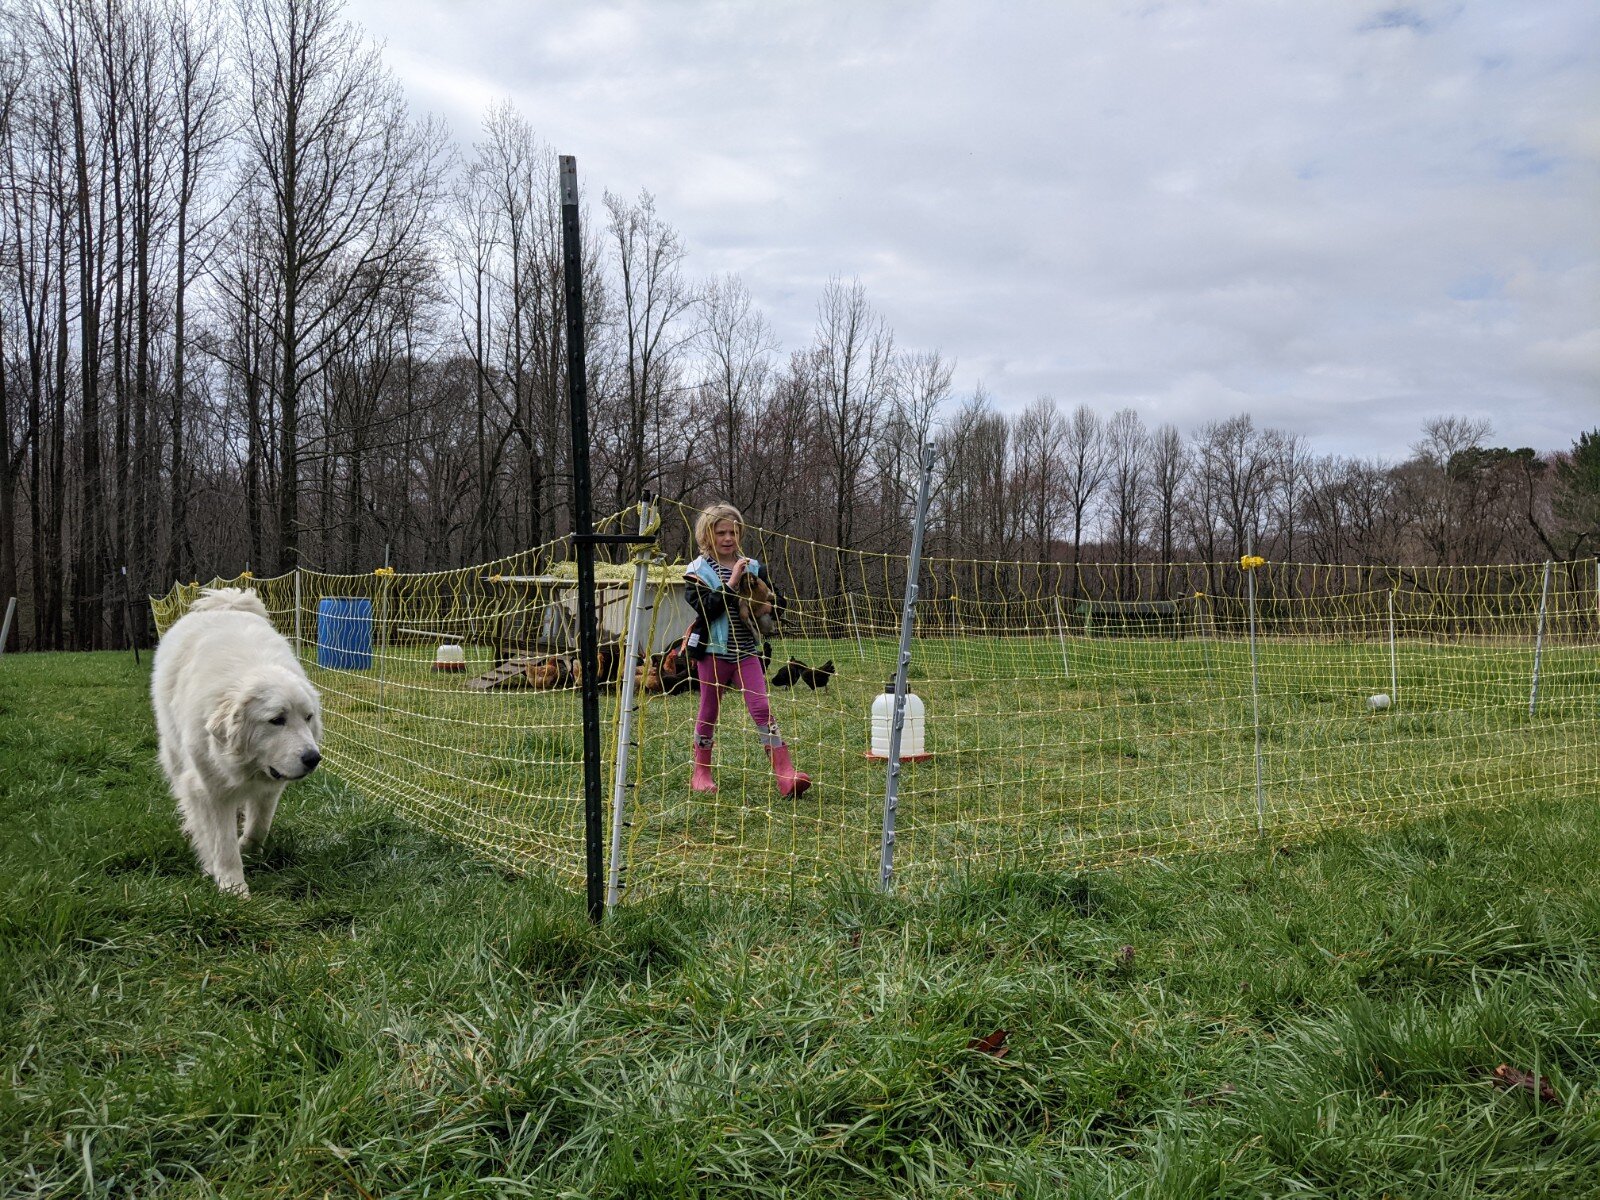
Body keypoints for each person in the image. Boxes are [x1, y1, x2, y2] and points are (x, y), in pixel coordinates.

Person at [683, 503, 811, 798]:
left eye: (733, 532)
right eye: (721, 532)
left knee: (762, 708)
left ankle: (785, 774)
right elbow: (707, 608)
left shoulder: (754, 567)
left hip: (747, 652)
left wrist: (770, 604)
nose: (728, 538)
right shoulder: (697, 571)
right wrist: (731, 582)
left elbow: (777, 603)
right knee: (709, 710)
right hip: (713, 651)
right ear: (707, 535)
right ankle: (701, 772)